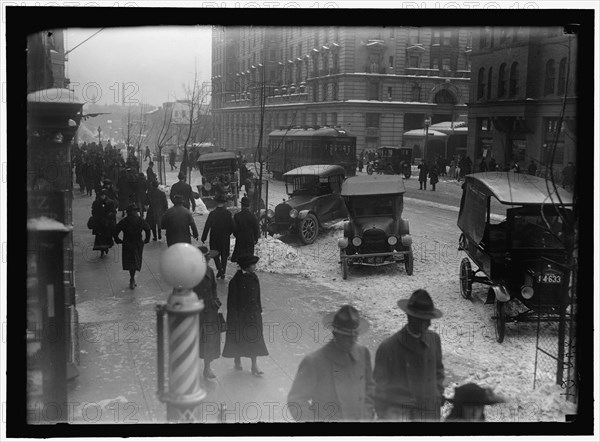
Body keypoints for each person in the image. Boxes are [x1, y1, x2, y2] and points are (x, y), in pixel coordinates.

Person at [287, 305, 375, 422]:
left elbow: (370, 387)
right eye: (346, 336)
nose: (352, 340)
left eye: (355, 336)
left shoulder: (363, 353)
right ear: (335, 334)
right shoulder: (314, 361)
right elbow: (296, 401)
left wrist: (367, 415)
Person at [373, 289, 445, 421]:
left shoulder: (434, 340)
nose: (428, 324)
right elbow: (379, 390)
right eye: (423, 320)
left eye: (429, 319)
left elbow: (438, 371)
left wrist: (438, 393)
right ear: (410, 317)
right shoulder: (388, 347)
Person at [221, 254, 269, 376]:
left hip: (253, 315)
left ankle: (254, 366)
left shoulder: (254, 278)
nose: (255, 266)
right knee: (239, 339)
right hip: (240, 317)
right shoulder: (235, 282)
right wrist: (233, 318)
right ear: (246, 266)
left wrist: (259, 309)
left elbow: (257, 295)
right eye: (253, 264)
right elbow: (231, 303)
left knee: (255, 340)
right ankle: (237, 359)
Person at [193, 245, 223, 380]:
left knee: (209, 340)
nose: (209, 260)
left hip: (210, 310)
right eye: (208, 257)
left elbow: (214, 288)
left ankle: (207, 367)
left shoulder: (210, 271)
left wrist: (216, 302)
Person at [113, 203, 151, 289]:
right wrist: (146, 239)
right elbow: (147, 229)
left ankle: (132, 278)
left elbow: (115, 230)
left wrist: (118, 240)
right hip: (137, 243)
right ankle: (132, 279)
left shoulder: (124, 221)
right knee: (136, 261)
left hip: (127, 243)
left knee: (130, 262)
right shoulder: (140, 220)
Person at [201, 194, 234, 279]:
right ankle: (223, 270)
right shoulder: (228, 214)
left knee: (215, 254)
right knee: (224, 255)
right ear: (224, 203)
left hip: (214, 237)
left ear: (216, 203)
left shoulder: (212, 213)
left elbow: (207, 225)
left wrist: (204, 237)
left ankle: (219, 268)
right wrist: (228, 233)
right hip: (224, 238)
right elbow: (232, 226)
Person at [231, 196, 260, 263]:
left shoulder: (237, 216)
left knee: (240, 256)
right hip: (250, 238)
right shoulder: (252, 216)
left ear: (242, 205)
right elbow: (256, 228)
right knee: (249, 257)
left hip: (240, 239)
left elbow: (234, 228)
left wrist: (237, 235)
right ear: (248, 206)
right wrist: (255, 238)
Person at [91, 189, 117, 259]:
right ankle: (102, 251)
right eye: (101, 195)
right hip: (99, 223)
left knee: (107, 236)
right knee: (100, 238)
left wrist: (110, 215)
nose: (102, 197)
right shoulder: (96, 203)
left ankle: (106, 248)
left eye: (103, 195)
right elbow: (93, 211)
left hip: (107, 223)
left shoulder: (111, 202)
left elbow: (114, 212)